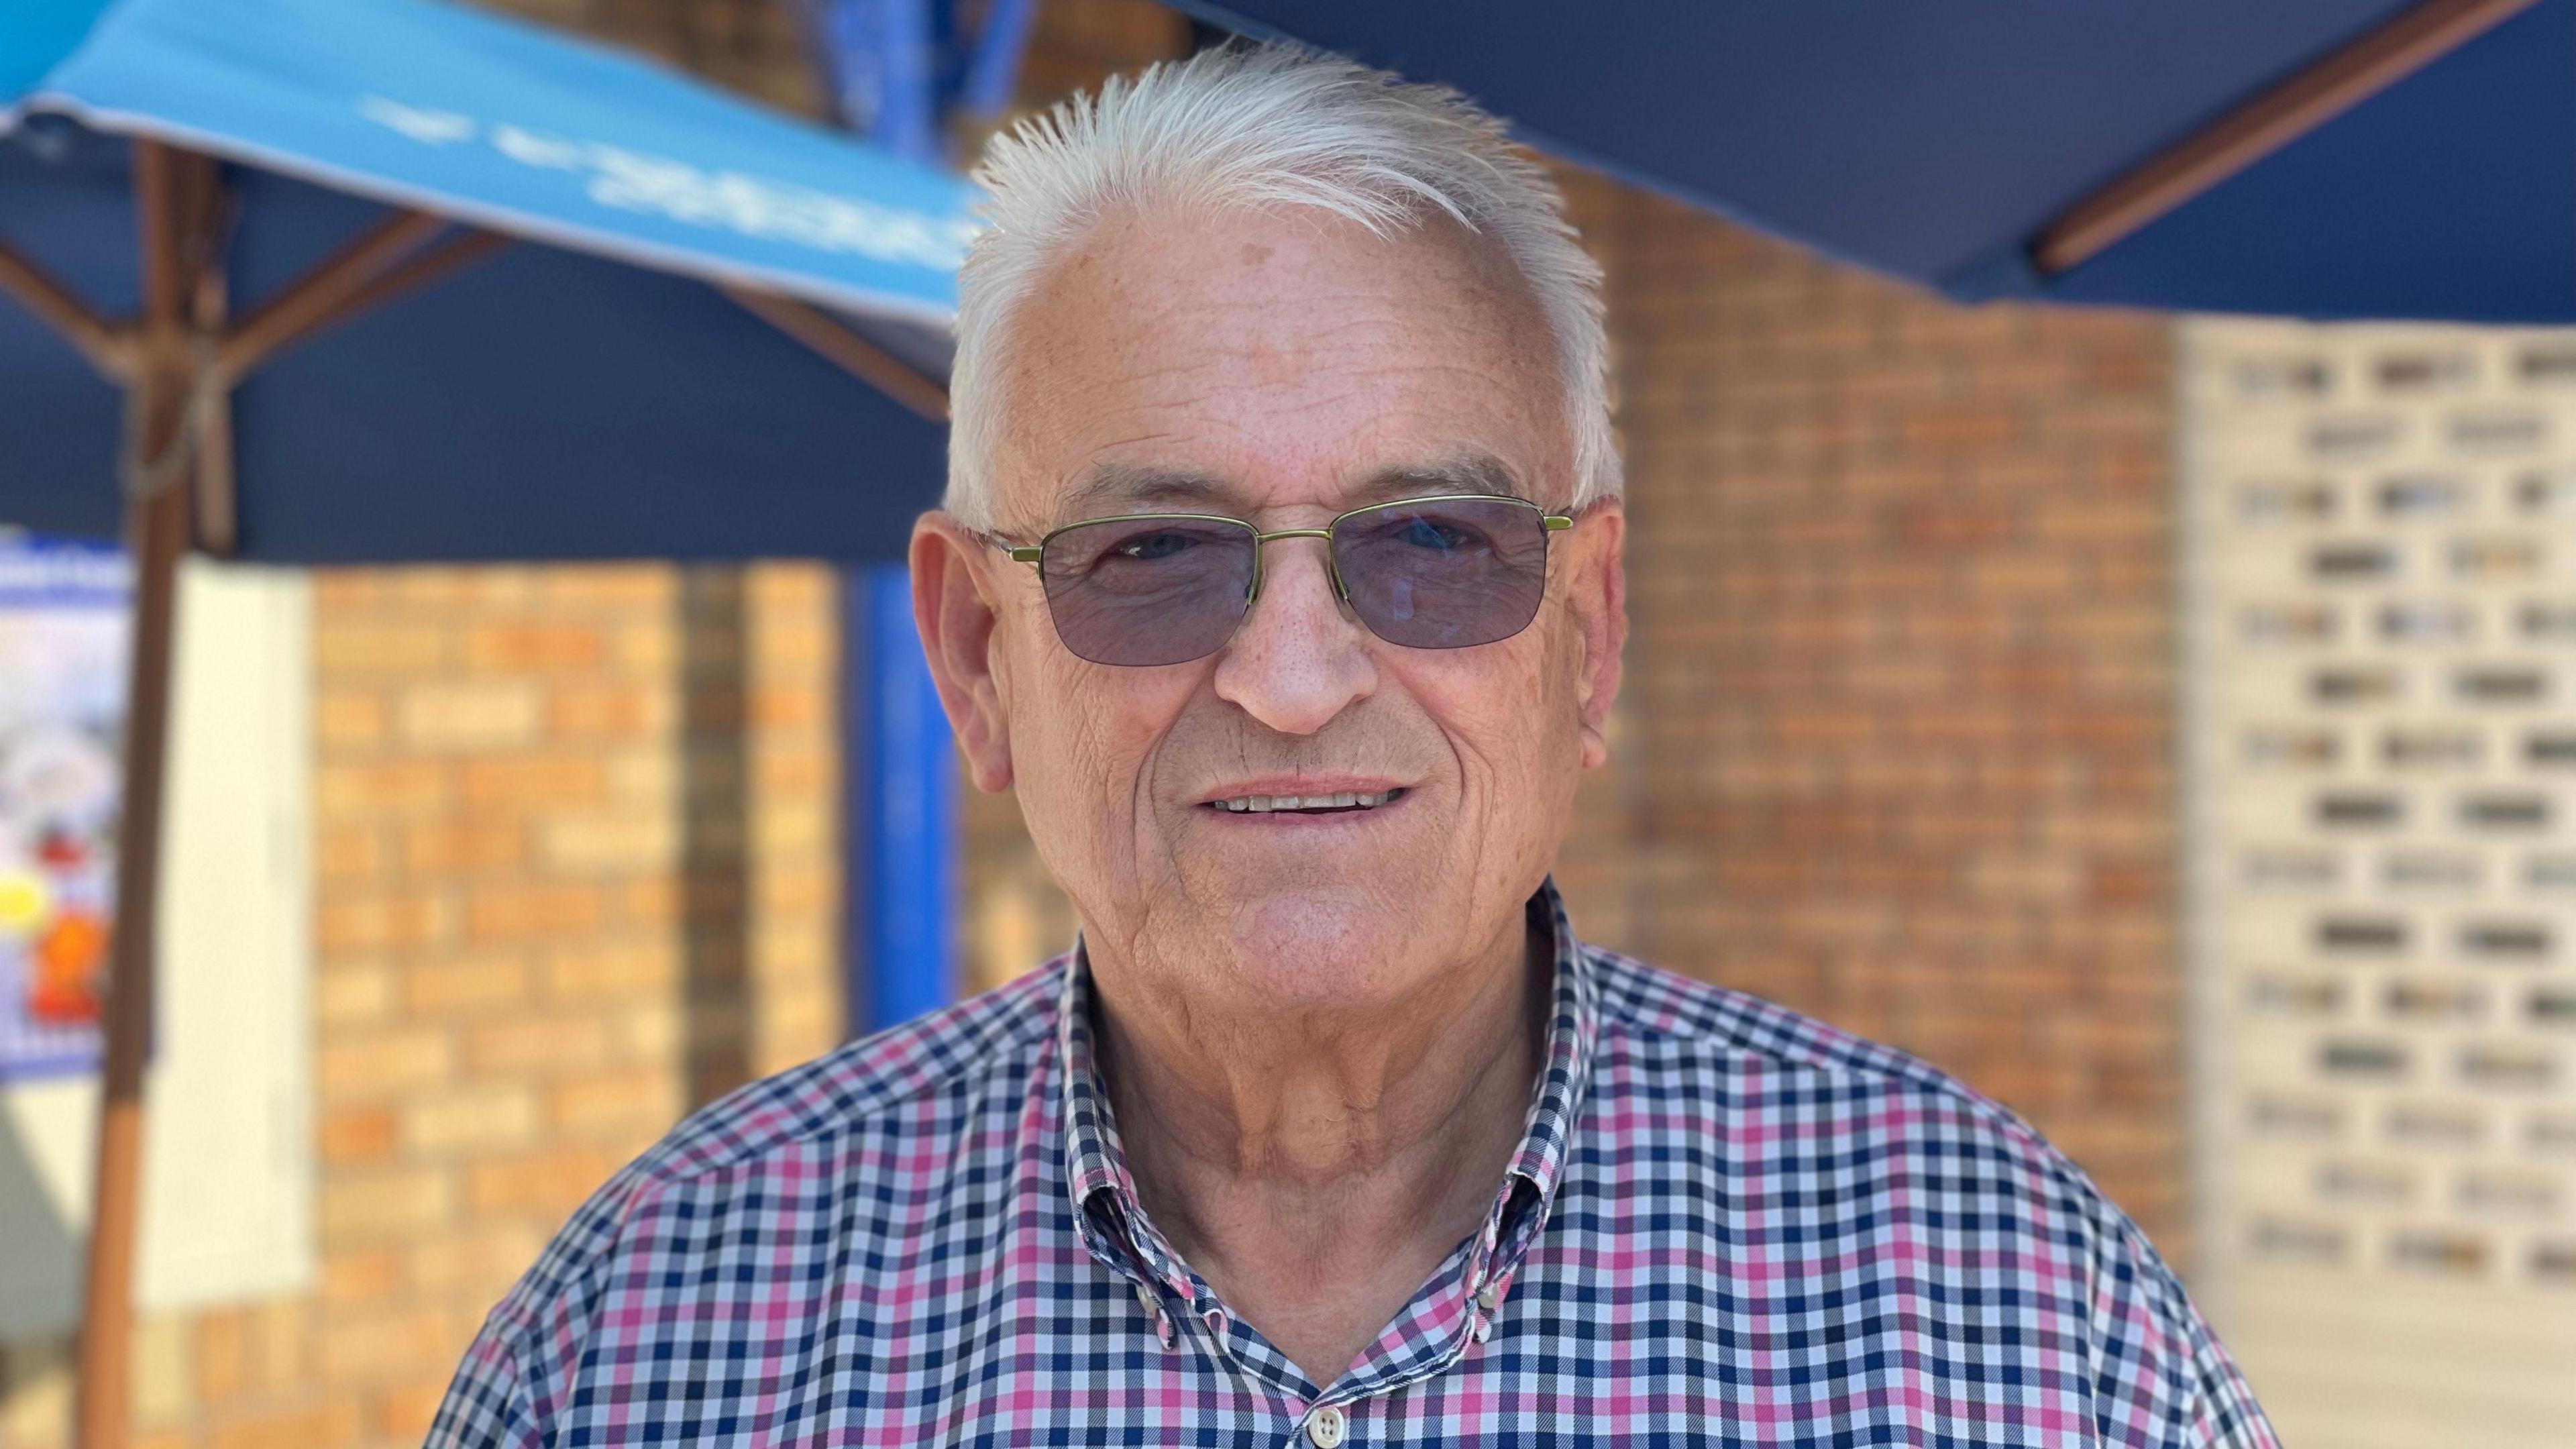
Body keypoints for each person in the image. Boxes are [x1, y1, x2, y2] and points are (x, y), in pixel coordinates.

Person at [429, 44, 2277, 1447]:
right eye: (1153, 555)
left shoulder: (2017, 1321)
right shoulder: (654, 1337)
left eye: (1433, 543)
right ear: (978, 651)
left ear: (1591, 633)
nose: (1294, 677)